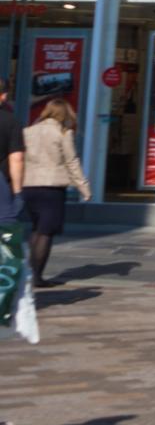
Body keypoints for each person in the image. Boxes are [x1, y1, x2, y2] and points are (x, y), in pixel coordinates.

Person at [20, 99, 92, 289]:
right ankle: (37, 277)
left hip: (29, 186)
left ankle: (29, 274)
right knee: (46, 232)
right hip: (51, 187)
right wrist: (83, 187)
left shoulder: (28, 131)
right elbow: (72, 161)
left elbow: (20, 158)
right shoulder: (63, 133)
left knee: (36, 229)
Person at [0, 78, 23, 228]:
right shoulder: (10, 121)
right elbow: (17, 158)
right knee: (5, 225)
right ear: (3, 96)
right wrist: (18, 192)